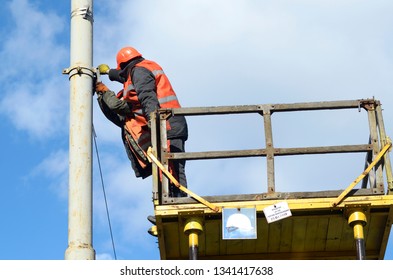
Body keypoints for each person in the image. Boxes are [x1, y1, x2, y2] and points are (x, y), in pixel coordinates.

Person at [95, 46, 188, 198]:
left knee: (173, 169)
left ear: (124, 66)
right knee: (164, 168)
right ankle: (168, 200)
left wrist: (154, 121)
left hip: (167, 124)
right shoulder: (143, 67)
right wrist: (109, 73)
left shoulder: (138, 72)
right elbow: (125, 77)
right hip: (170, 122)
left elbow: (147, 97)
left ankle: (179, 202)